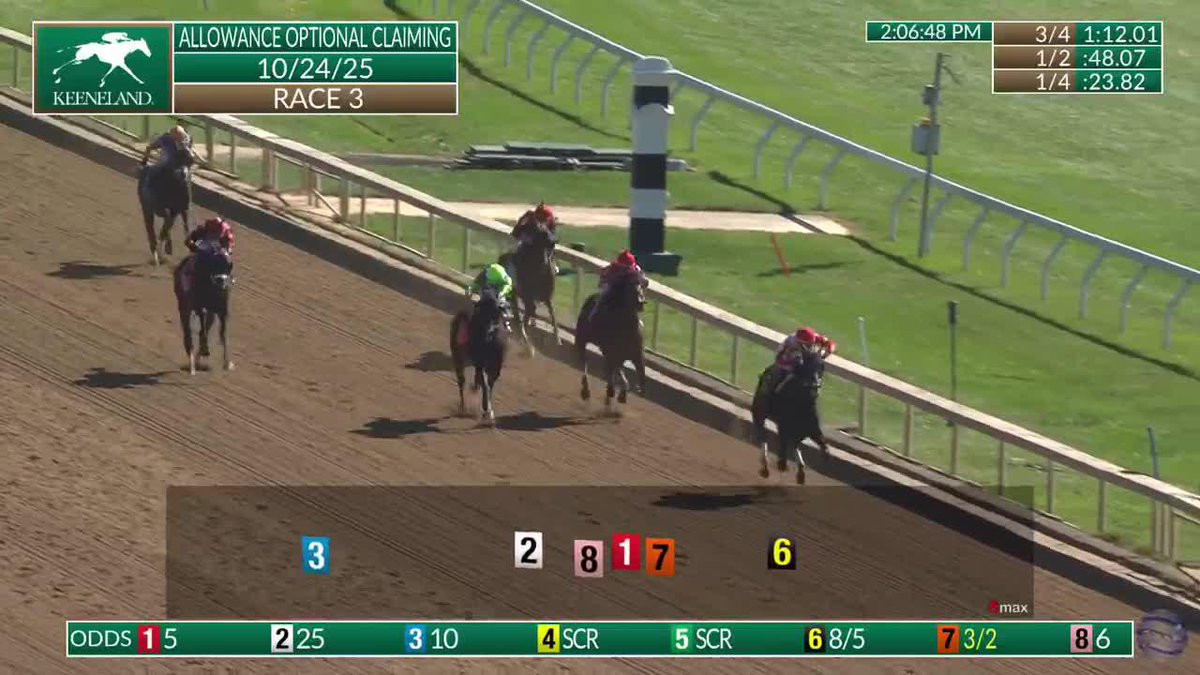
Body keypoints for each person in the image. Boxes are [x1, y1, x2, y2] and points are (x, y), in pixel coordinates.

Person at [766, 326, 836, 394]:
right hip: (789, 361)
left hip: (807, 358)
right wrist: (793, 365)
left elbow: (831, 344)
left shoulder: (816, 337)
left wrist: (827, 353)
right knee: (778, 375)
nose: (810, 346)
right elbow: (779, 360)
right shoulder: (788, 343)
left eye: (810, 344)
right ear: (798, 342)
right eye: (807, 345)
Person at [180, 217, 234, 295]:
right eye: (213, 232)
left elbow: (228, 249)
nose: (213, 235)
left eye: (215, 233)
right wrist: (194, 245)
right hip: (205, 256)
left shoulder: (224, 236)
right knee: (187, 269)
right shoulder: (202, 235)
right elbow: (191, 242)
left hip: (214, 258)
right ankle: (187, 291)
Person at [589, 249, 647, 321]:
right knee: (603, 294)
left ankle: (638, 319)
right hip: (612, 284)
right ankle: (594, 313)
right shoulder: (611, 268)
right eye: (624, 268)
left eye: (627, 268)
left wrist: (641, 285)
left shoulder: (637, 269)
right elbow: (603, 279)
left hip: (629, 286)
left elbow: (645, 281)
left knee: (637, 291)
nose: (626, 271)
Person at [509, 202, 559, 275]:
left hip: (544, 253)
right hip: (526, 252)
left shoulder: (550, 225)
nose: (541, 223)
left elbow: (551, 241)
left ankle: (552, 266)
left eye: (544, 220)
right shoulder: (529, 222)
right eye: (539, 220)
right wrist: (521, 220)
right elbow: (515, 233)